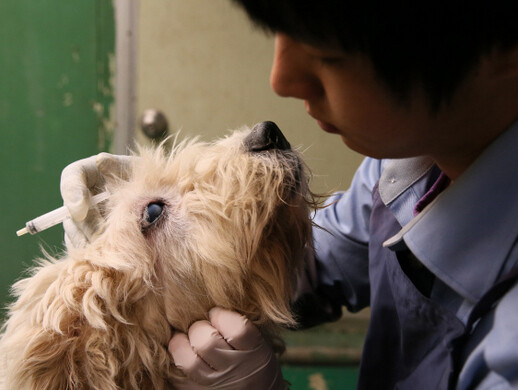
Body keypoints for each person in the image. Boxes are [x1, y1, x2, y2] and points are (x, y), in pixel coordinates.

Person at [59, 1, 518, 388]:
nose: (282, 78)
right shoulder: (411, 163)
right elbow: (319, 262)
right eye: (281, 31)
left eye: (328, 52)